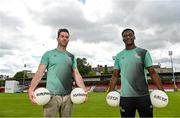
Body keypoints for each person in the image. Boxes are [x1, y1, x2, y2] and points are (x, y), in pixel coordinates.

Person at [28, 28, 88, 117]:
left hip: (68, 97)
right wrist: (31, 89)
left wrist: (83, 91)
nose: (64, 38)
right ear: (57, 38)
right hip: (51, 96)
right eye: (62, 36)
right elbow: (40, 72)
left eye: (66, 37)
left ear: (68, 40)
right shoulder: (48, 54)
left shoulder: (71, 57)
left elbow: (76, 74)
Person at [108, 28, 164, 118]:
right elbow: (115, 75)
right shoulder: (119, 56)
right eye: (125, 36)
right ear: (122, 39)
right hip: (125, 97)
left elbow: (152, 72)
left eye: (130, 35)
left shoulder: (143, 52)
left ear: (134, 37)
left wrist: (162, 91)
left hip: (143, 96)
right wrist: (110, 92)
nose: (128, 37)